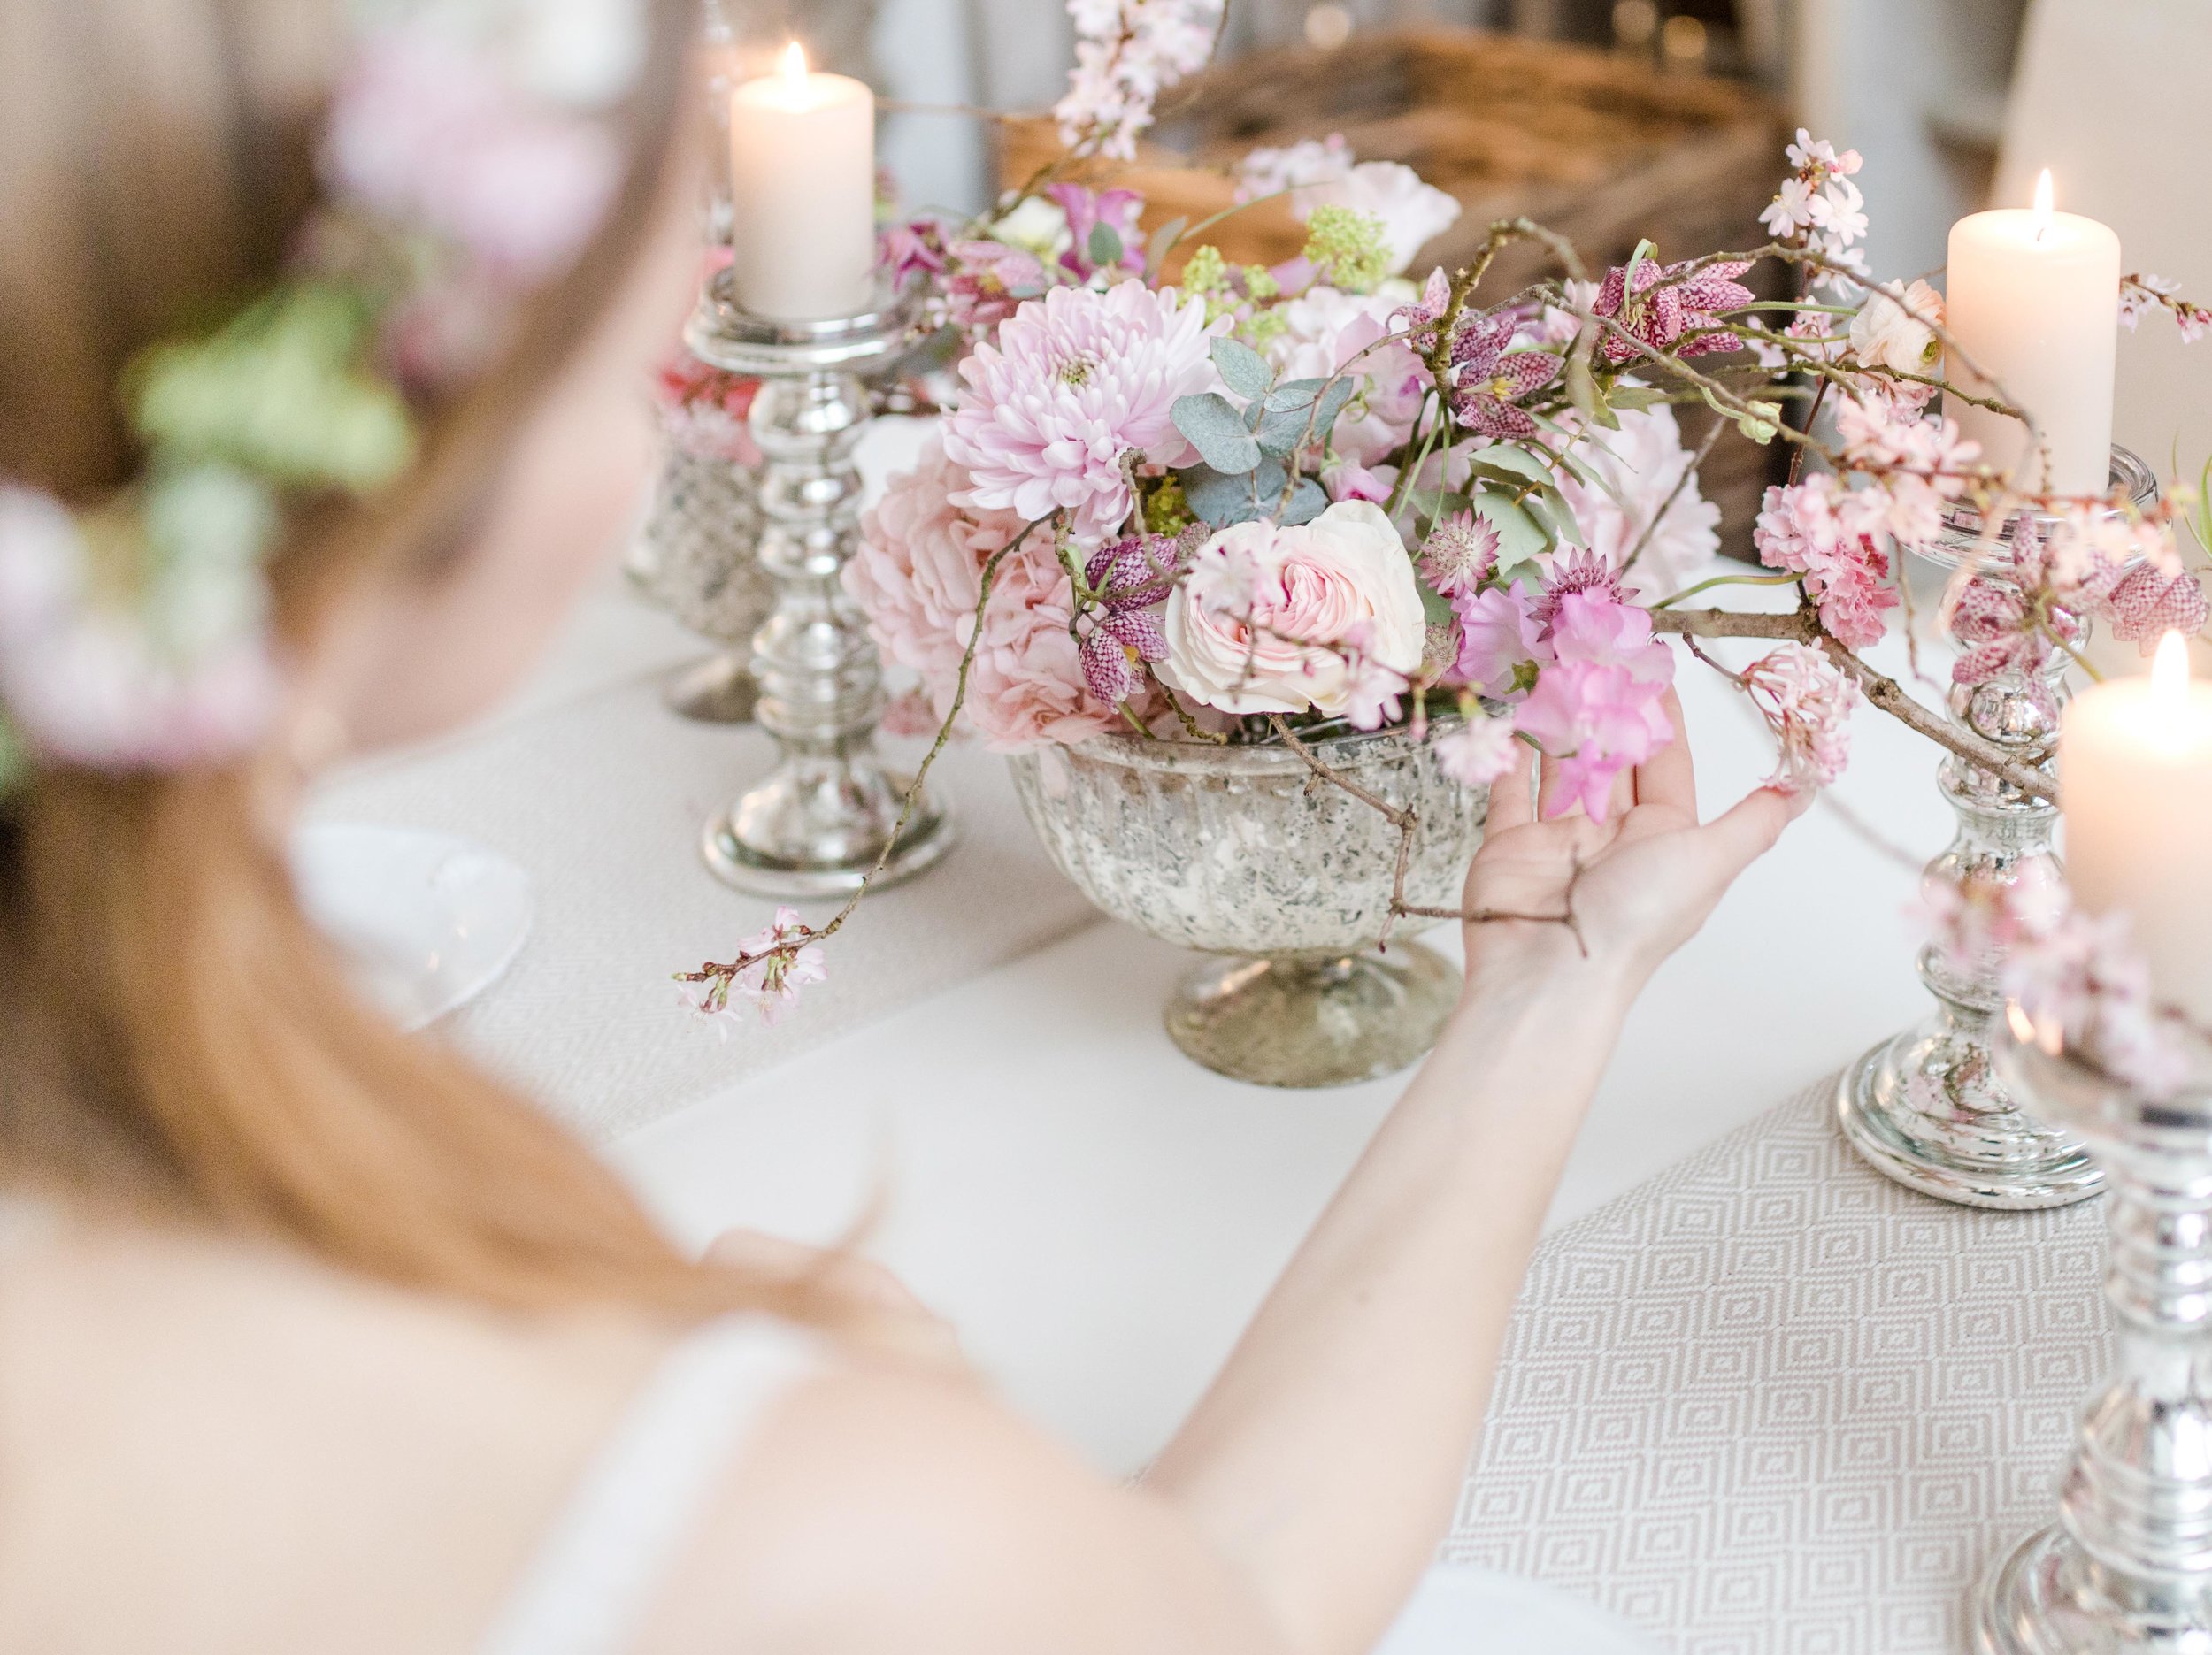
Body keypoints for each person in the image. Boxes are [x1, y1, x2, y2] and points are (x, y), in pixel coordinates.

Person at [0, 2, 1806, 1649]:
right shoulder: (781, 1524)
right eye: (632, 350)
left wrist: (1542, 981)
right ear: (416, 453)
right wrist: (822, 1446)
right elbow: (1236, 1603)